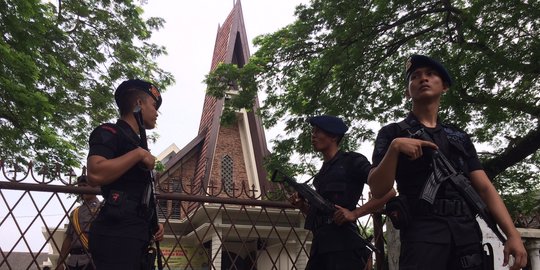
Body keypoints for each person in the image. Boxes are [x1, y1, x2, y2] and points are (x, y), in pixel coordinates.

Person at [368, 55, 528, 270]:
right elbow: (378, 189)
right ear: (407, 92)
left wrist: (512, 235)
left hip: (466, 233)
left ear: (444, 86)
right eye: (415, 77)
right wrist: (395, 148)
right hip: (423, 233)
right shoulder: (392, 133)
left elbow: (484, 188)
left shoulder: (458, 136)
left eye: (430, 74)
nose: (423, 79)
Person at [289, 115, 396, 270]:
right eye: (313, 131)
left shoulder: (352, 161)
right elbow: (320, 214)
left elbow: (389, 191)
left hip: (344, 245)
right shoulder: (320, 175)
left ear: (333, 136)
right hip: (321, 245)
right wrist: (302, 206)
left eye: (319, 131)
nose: (313, 135)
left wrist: (355, 213)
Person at [86, 79, 165, 269]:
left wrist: (153, 223)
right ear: (139, 103)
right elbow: (95, 173)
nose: (157, 113)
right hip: (116, 233)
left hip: (135, 232)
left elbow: (137, 190)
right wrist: (138, 154)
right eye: (154, 106)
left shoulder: (136, 142)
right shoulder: (109, 131)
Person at [56, 175, 100, 270]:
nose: (81, 188)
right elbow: (69, 238)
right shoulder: (75, 212)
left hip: (92, 261)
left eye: (85, 185)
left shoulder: (101, 209)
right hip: (73, 262)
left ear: (96, 188)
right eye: (80, 186)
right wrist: (60, 261)